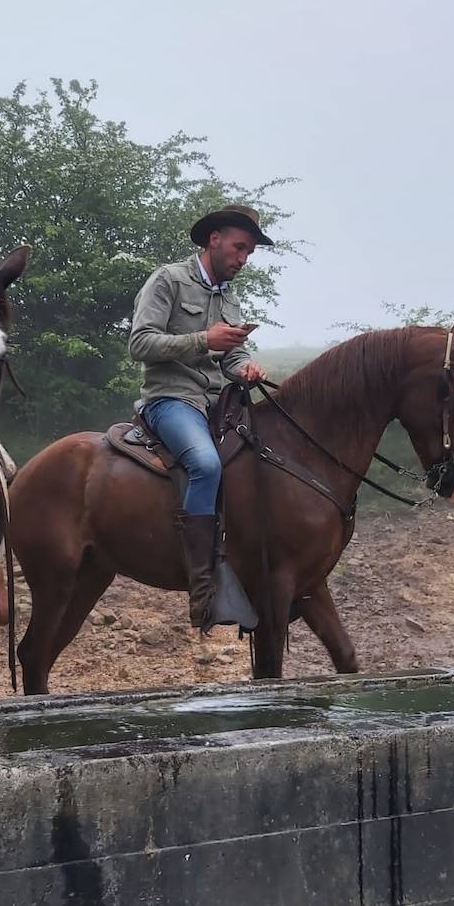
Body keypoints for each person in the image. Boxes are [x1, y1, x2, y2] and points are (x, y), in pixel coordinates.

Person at [128, 204, 272, 629]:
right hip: (171, 398)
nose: (243, 259)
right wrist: (203, 339)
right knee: (206, 464)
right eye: (239, 247)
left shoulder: (229, 296)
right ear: (214, 240)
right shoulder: (168, 280)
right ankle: (202, 585)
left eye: (249, 252)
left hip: (218, 401)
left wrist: (245, 366)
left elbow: (232, 354)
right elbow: (140, 343)